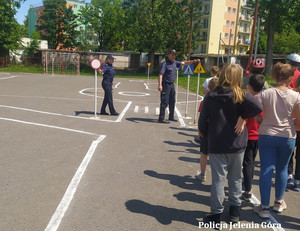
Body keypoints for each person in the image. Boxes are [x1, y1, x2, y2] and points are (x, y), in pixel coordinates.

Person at [198, 64, 262, 224]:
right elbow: (258, 107)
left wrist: (206, 135)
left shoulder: (211, 96)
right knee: (235, 178)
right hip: (237, 143)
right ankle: (234, 211)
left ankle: (216, 213)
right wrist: (243, 117)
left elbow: (202, 121)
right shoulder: (241, 95)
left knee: (218, 179)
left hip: (217, 143)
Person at [253, 62, 300, 219]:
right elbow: (299, 120)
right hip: (287, 136)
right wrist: (291, 123)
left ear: (275, 75)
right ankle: (279, 202)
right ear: (290, 77)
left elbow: (256, 110)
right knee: (282, 168)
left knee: (266, 168)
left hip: (267, 134)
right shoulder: (296, 96)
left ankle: (264, 207)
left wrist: (261, 120)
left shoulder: (265, 93)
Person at [240, 74, 265, 201]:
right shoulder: (263, 100)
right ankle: (246, 183)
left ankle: (247, 189)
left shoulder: (250, 101)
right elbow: (261, 119)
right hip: (258, 136)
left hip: (248, 136)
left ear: (249, 86)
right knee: (251, 162)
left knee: (247, 163)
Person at [158, 49, 200, 123]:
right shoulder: (165, 64)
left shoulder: (175, 62)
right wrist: (160, 85)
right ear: (168, 55)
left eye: (174, 54)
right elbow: (161, 74)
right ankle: (161, 118)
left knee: (172, 101)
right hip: (166, 85)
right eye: (172, 54)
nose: (174, 56)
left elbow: (184, 63)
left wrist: (194, 61)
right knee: (165, 101)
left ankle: (171, 116)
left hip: (171, 85)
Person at [195, 77, 219, 182]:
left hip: (207, 129)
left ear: (209, 87)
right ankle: (217, 177)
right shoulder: (223, 99)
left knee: (204, 153)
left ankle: (203, 174)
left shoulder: (206, 100)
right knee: (217, 156)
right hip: (218, 130)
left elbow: (202, 117)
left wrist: (200, 130)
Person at [286, 53, 300, 188]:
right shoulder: (298, 74)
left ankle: (289, 174)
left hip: (292, 120)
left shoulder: (287, 73)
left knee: (289, 150)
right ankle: (298, 180)